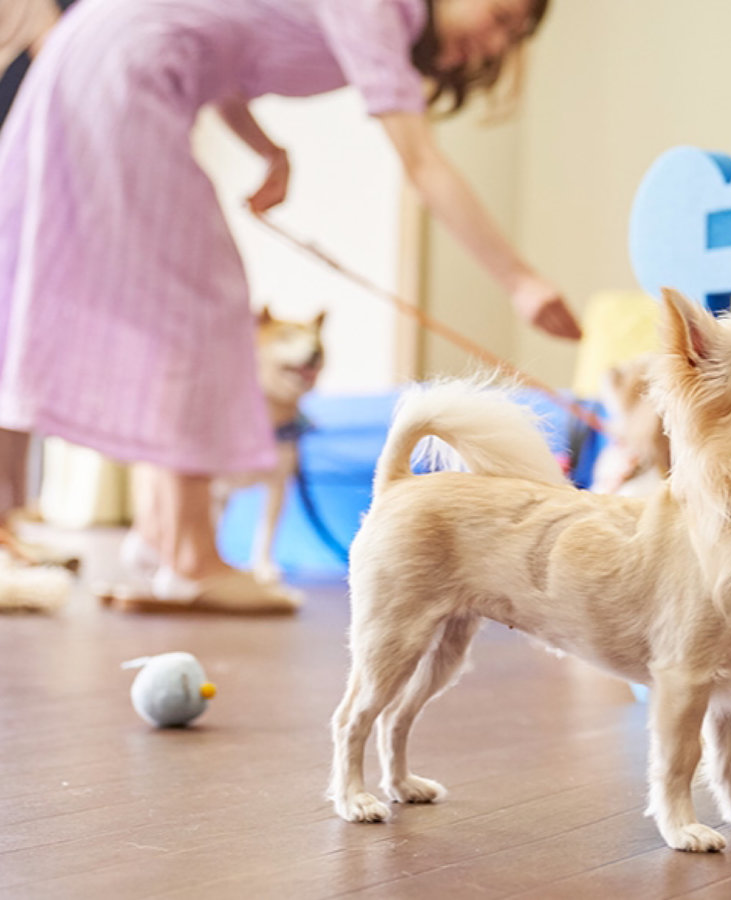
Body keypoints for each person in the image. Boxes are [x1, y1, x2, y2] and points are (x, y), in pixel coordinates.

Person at [0, 0, 581, 613]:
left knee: (121, 283)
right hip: (125, 59)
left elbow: (211, 48)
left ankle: (167, 540)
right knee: (195, 298)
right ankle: (189, 556)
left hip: (103, 49)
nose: (496, 44)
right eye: (501, 17)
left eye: (513, 35)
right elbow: (422, 164)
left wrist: (267, 148)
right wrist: (520, 281)